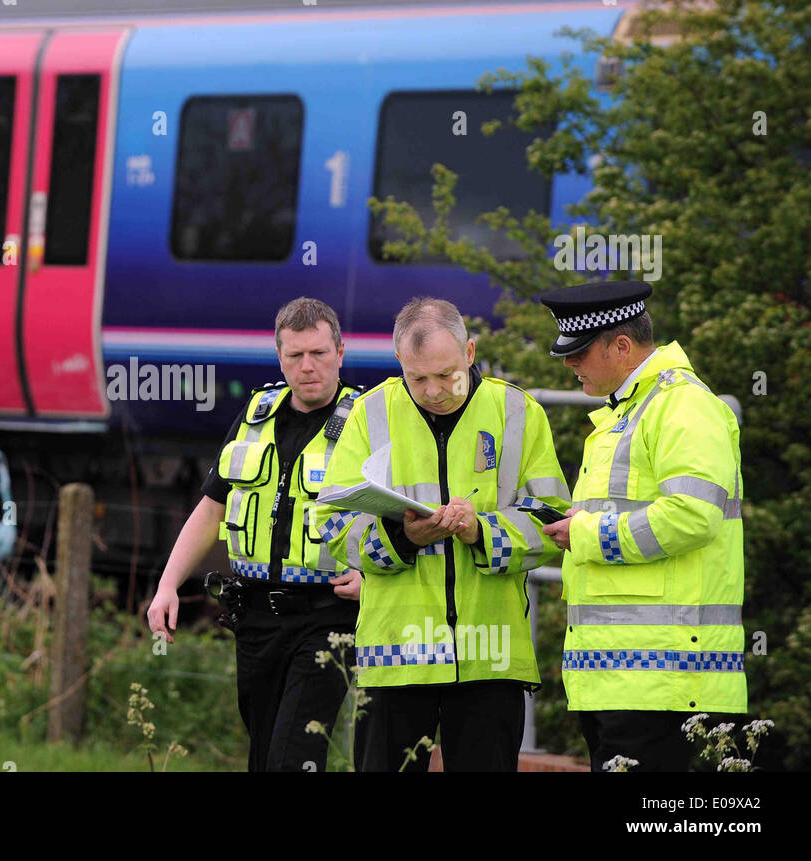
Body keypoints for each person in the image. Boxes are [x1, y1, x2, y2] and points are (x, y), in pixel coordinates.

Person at [312, 297, 570, 771]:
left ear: (470, 353)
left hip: (489, 659)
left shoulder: (517, 411)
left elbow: (552, 523)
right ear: (399, 365)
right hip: (397, 660)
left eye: (446, 374)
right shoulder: (368, 414)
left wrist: (481, 532)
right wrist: (404, 539)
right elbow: (330, 528)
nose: (432, 391)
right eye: (417, 378)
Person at [146, 297, 366, 772]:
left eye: (319, 354)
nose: (307, 367)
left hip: (327, 619)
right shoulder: (255, 415)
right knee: (265, 755)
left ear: (341, 353)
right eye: (295, 356)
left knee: (293, 758)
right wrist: (167, 587)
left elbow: (401, 521)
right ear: (279, 356)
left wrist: (373, 576)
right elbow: (210, 510)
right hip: (255, 620)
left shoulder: (367, 423)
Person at [536, 281, 746, 772]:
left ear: (623, 346)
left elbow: (692, 516)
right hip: (623, 680)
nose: (569, 364)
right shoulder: (628, 410)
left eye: (580, 353)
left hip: (665, 683)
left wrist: (585, 534)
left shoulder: (682, 406)